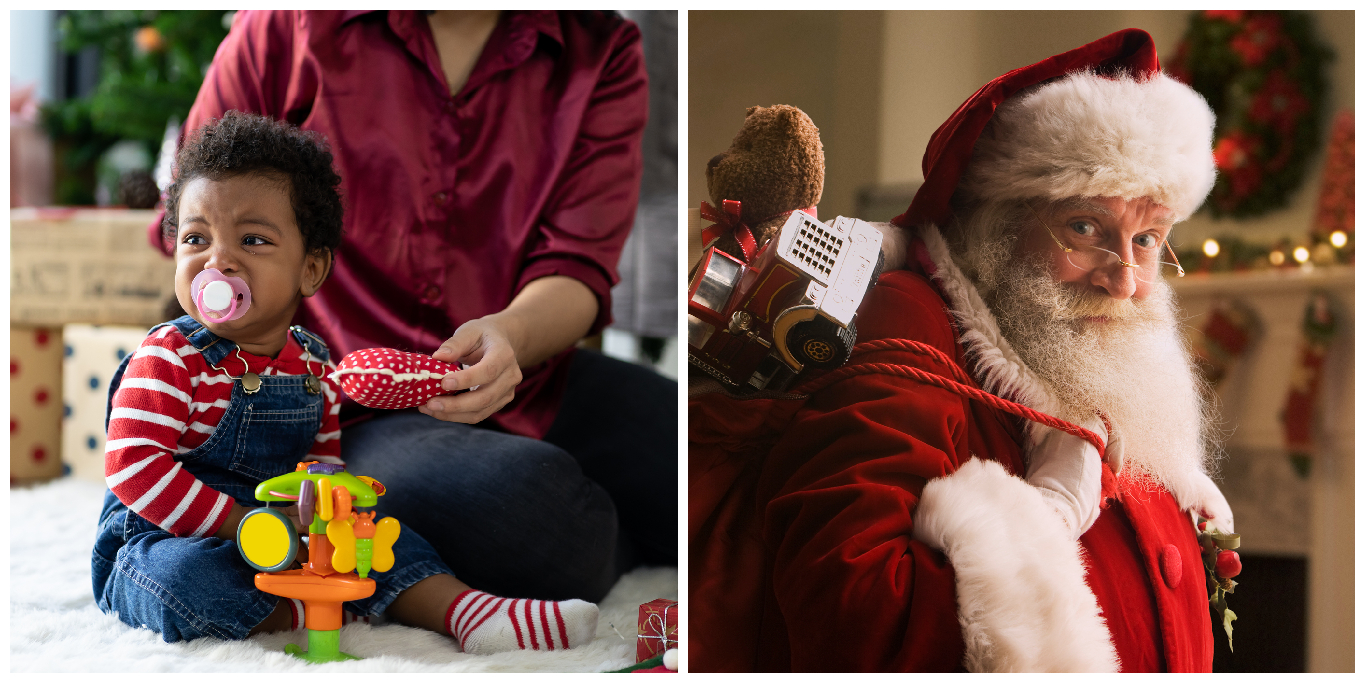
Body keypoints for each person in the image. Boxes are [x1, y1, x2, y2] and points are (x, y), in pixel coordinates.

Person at [690, 29, 1235, 672]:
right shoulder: (912, 322)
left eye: (1147, 239)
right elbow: (856, 613)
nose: (1122, 280)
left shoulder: (1094, 360)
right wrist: (1041, 521)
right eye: (1085, 227)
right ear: (996, 230)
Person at [154, 10, 677, 605]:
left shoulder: (601, 47)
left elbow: (578, 266)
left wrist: (510, 334)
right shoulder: (286, 27)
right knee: (538, 511)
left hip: (530, 372)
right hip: (340, 412)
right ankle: (618, 539)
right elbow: (193, 218)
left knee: (716, 444)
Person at [96, 112, 599, 654]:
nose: (218, 259)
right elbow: (132, 467)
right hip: (164, 532)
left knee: (375, 532)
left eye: (252, 239)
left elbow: (322, 455)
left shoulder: (313, 365)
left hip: (277, 529)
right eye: (197, 237)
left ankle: (470, 613)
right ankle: (312, 607)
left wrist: (320, 495)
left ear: (310, 270)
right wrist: (244, 524)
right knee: (186, 581)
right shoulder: (171, 356)